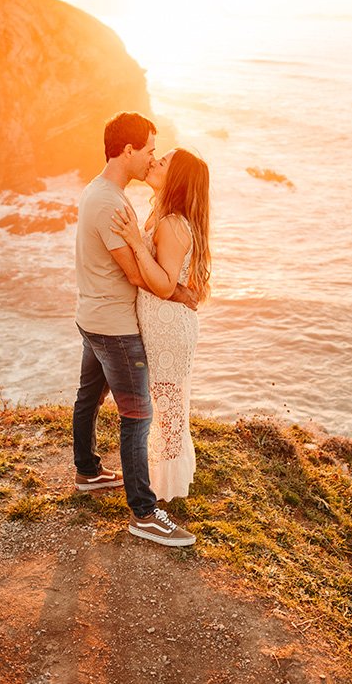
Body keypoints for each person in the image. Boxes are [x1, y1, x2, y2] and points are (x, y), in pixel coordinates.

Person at [73, 112, 198, 547]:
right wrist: (180, 292)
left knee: (89, 395)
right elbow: (137, 276)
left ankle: (87, 471)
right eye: (148, 150)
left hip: (92, 315)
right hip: (115, 325)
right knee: (137, 414)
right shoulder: (111, 202)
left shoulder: (103, 190)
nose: (151, 158)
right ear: (128, 151)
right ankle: (144, 513)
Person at [111, 148, 210, 502]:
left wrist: (136, 241)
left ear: (176, 179)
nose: (154, 162)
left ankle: (165, 490)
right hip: (162, 323)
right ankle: (161, 480)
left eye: (163, 162)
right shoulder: (163, 214)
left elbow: (166, 284)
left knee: (166, 409)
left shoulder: (170, 223)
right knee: (165, 406)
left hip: (168, 329)